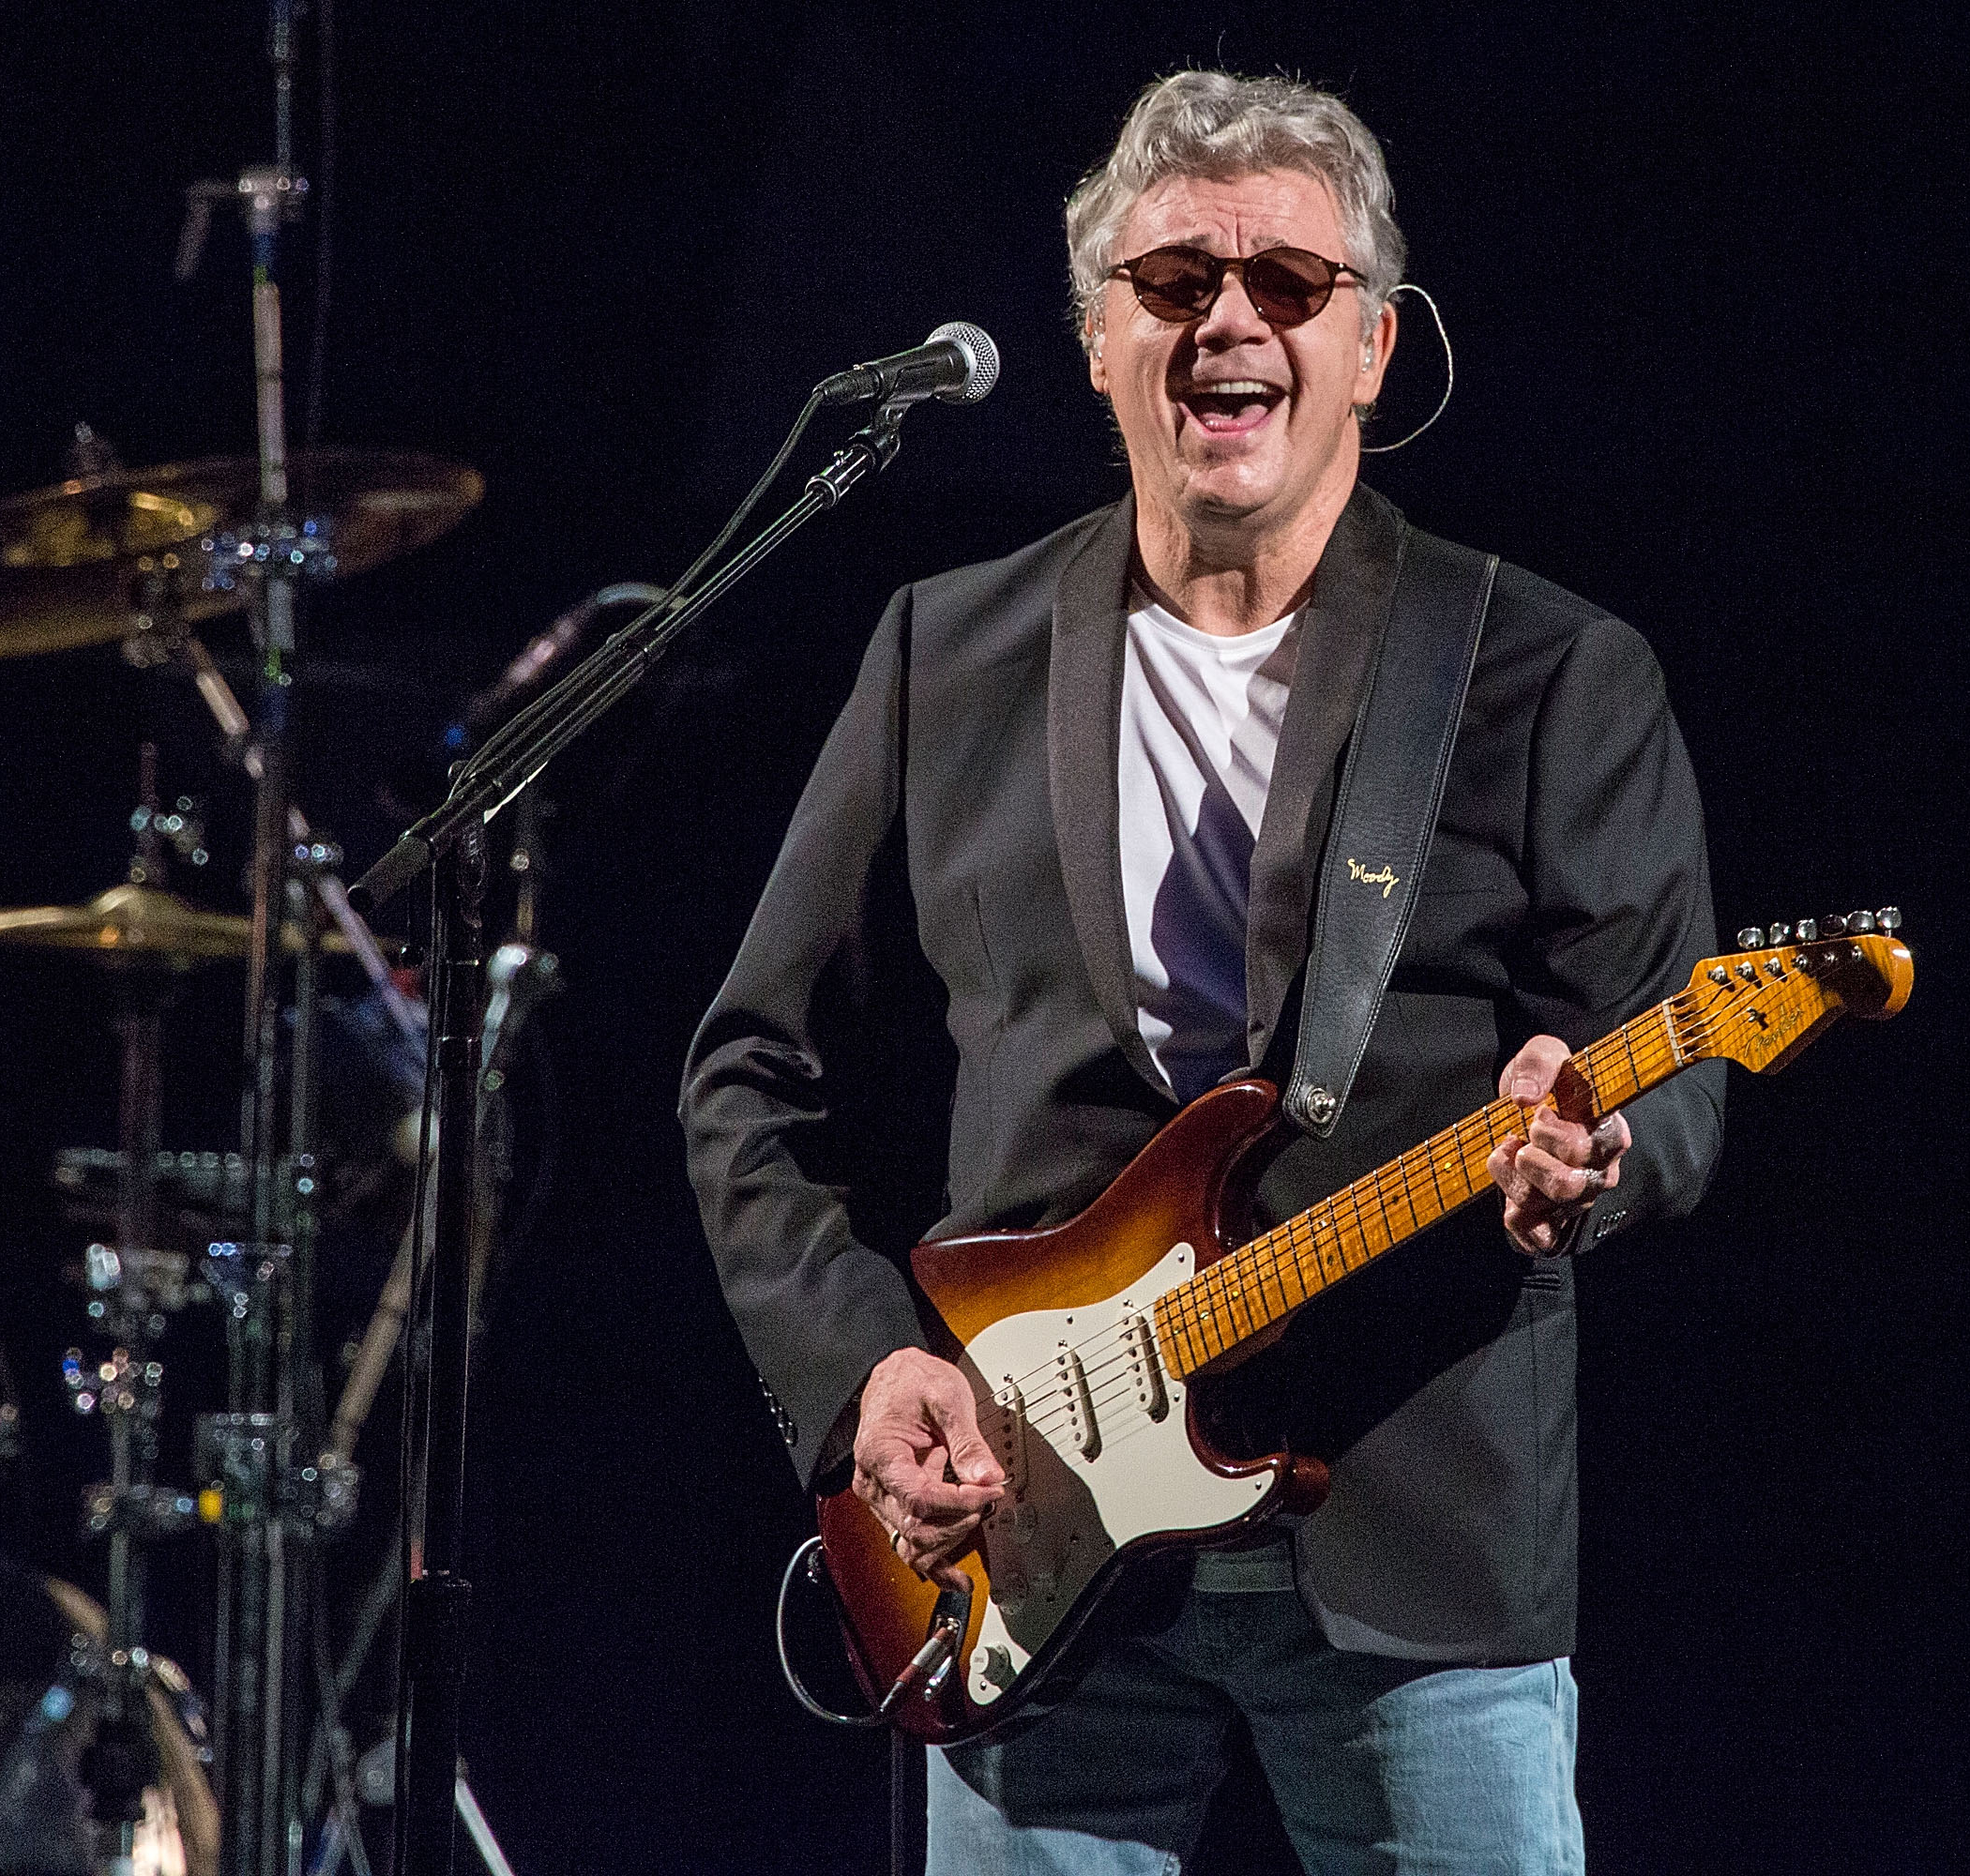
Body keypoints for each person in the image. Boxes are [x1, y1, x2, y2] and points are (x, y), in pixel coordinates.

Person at [682, 69, 1727, 1873]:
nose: (1228, 319)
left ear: (1377, 346)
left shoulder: (1550, 671)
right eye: (1171, 283)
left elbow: (1677, 1069)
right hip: (1031, 1543)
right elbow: (748, 1077)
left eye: (1288, 285)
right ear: (1096, 343)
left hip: (1419, 1553)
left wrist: (1592, 1159)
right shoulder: (949, 651)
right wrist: (866, 1379)